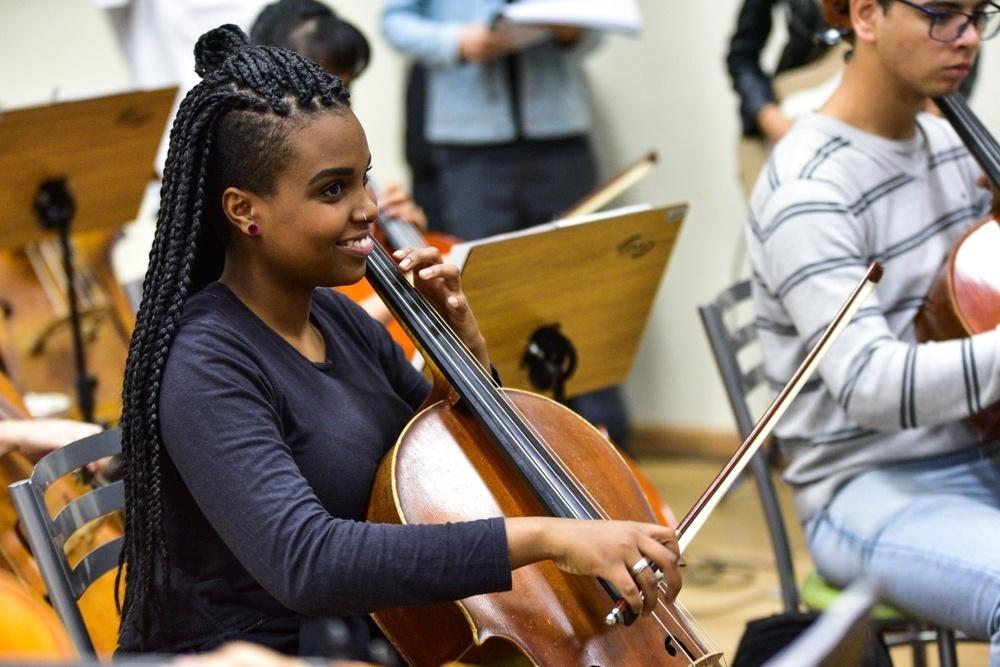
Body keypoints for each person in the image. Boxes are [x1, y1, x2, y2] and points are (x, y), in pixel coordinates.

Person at [115, 25, 681, 658]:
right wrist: (549, 538)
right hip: (271, 650)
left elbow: (442, 449)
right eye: (333, 190)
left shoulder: (338, 318)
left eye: (365, 179)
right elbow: (308, 562)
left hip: (379, 634)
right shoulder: (205, 361)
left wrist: (462, 347)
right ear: (244, 210)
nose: (367, 208)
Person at [745, 0, 1000, 661]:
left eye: (979, 14)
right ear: (865, 16)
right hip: (867, 488)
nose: (968, 37)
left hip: (980, 450)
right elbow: (871, 384)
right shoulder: (809, 189)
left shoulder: (948, 146)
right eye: (943, 14)